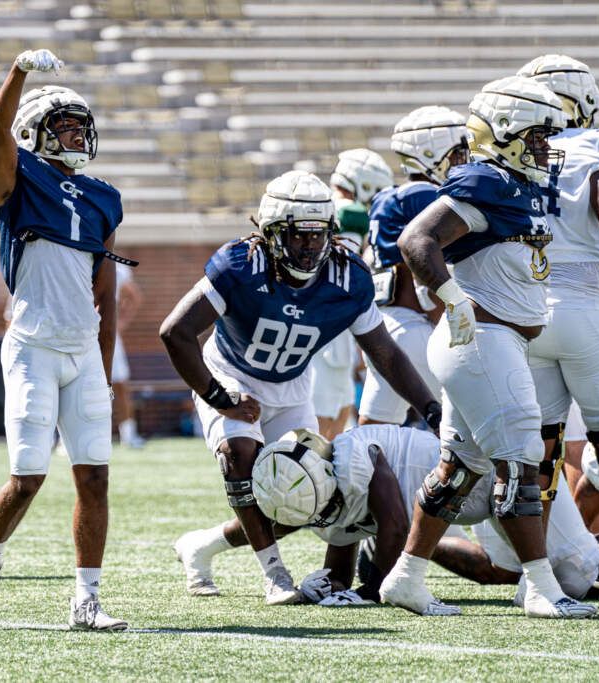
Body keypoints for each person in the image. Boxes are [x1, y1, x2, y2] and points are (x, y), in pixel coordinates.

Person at [161, 169, 439, 603]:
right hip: (231, 373)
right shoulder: (240, 265)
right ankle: (275, 574)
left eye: (318, 235)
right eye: (297, 236)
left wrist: (429, 407)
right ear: (271, 233)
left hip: (291, 386)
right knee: (240, 457)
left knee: (306, 493)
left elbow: (384, 352)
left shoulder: (347, 279)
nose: (310, 247)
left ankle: (202, 544)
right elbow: (175, 331)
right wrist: (219, 396)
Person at [378, 76, 596, 619]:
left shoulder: (519, 184)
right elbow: (416, 241)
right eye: (540, 136)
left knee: (459, 470)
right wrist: (452, 299)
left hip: (498, 343)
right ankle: (542, 587)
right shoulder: (486, 179)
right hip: (483, 340)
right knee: (521, 464)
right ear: (504, 132)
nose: (549, 147)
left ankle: (405, 577)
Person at [0, 48, 128, 631]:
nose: (76, 134)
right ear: (35, 132)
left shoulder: (103, 196)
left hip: (82, 348)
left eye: (80, 125)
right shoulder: (21, 179)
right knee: (28, 476)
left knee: (95, 474)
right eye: (63, 125)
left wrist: (105, 373)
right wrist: (18, 72)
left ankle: (86, 598)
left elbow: (104, 293)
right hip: (33, 344)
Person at [176, 425, 599, 604]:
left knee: (581, 573)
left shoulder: (353, 462)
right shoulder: (314, 491)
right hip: (467, 508)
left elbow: (395, 526)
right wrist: (324, 588)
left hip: (490, 475)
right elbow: (339, 569)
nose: (317, 517)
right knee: (502, 572)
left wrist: (369, 592)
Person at [516, 55, 599, 523]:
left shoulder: (514, 153)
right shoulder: (598, 143)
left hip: (526, 311)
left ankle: (536, 565)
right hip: (587, 305)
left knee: (538, 448)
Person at [359, 106, 469, 426]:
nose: (463, 161)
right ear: (430, 153)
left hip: (385, 326)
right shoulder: (427, 196)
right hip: (419, 326)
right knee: (467, 430)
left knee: (373, 431)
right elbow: (427, 269)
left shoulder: (386, 197)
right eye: (457, 153)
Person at [311, 150, 397, 438]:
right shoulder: (349, 212)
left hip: (324, 320)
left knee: (335, 414)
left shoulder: (323, 205)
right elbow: (345, 272)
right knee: (328, 420)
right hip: (330, 323)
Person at [113, 263, 146, 448]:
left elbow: (134, 296)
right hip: (77, 336)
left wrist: (121, 322)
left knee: (119, 386)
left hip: (109, 336)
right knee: (75, 387)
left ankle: (128, 435)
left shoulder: (118, 269)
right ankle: (64, 440)